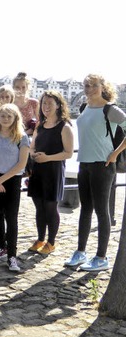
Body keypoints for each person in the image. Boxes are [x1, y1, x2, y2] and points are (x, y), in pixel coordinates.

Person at [65, 74, 126, 272]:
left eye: (93, 85)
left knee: (102, 211)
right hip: (84, 163)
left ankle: (101, 257)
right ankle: (80, 252)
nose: (89, 88)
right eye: (86, 85)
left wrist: (115, 154)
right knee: (85, 209)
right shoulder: (84, 108)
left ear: (102, 87)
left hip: (103, 165)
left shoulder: (110, 109)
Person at [27, 91, 74, 255]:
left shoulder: (64, 127)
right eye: (44, 103)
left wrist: (48, 158)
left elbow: (68, 153)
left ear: (58, 105)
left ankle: (51, 242)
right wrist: (33, 154)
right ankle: (40, 239)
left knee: (50, 208)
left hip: (53, 171)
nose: (46, 106)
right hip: (38, 170)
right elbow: (32, 146)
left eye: (50, 103)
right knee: (39, 207)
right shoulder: (40, 126)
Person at [0, 104, 30, 272]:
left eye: (9, 116)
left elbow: (22, 164)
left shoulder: (21, 137)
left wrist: (2, 179)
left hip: (12, 181)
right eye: (3, 116)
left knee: (11, 219)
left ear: (15, 118)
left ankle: (12, 256)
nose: (5, 119)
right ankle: (2, 246)